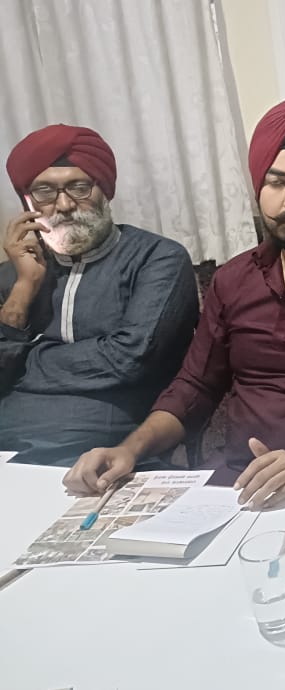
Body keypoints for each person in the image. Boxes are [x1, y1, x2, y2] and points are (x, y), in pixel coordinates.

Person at [64, 95, 285, 507]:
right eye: (277, 182)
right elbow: (195, 385)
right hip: (236, 481)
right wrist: (129, 449)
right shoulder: (233, 280)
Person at [0, 125, 199, 465]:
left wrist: (24, 356)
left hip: (101, 452)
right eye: (45, 191)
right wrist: (23, 289)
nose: (64, 205)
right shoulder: (15, 273)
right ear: (28, 203)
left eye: (79, 187)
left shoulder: (157, 258)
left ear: (104, 190)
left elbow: (128, 360)